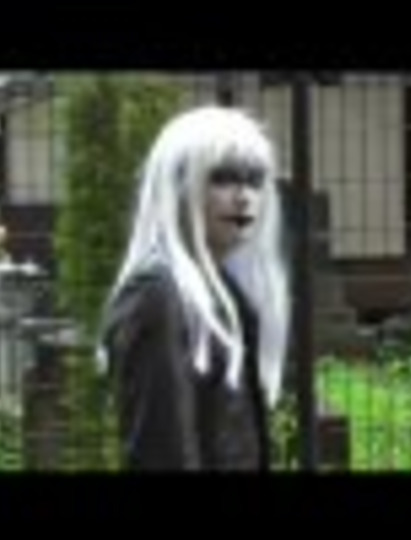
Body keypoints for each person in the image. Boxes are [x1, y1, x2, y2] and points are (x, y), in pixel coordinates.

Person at [96, 105, 291, 471]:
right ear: (178, 186)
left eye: (254, 180)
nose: (244, 196)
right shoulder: (158, 296)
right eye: (223, 178)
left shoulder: (224, 292)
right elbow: (162, 452)